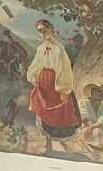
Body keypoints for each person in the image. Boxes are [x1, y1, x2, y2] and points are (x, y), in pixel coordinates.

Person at [26, 19, 81, 153]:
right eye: (40, 31)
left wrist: (63, 89)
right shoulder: (40, 48)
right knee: (43, 109)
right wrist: (34, 76)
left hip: (56, 84)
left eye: (45, 29)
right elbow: (36, 64)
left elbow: (64, 69)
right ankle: (48, 142)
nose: (43, 33)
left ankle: (61, 143)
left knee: (60, 112)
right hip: (43, 84)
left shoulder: (59, 49)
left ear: (50, 28)